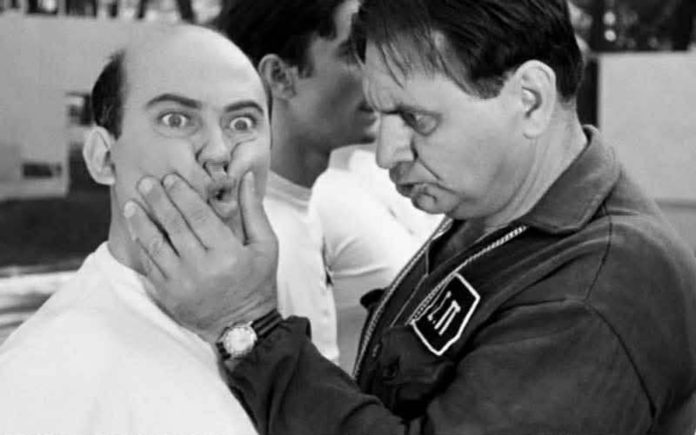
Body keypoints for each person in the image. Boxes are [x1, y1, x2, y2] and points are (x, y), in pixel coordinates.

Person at [125, 0, 696, 433]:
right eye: (381, 114)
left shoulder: (599, 291)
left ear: (530, 99)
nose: (386, 153)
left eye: (417, 119)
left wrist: (246, 328)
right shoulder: (500, 208)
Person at [0, 25, 268, 435]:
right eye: (176, 119)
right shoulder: (45, 375)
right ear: (103, 158)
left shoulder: (272, 315)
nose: (218, 151)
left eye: (243, 123)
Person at [214, 0, 425, 365]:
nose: (381, 75)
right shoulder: (267, 230)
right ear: (280, 76)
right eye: (354, 54)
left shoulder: (296, 205)